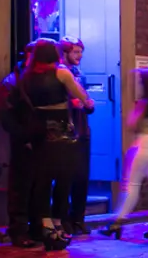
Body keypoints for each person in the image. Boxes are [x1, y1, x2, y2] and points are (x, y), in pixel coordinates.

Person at [15, 38, 93, 251]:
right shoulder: (62, 73)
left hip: (38, 131)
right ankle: (59, 224)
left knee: (42, 181)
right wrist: (87, 103)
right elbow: (81, 97)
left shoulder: (27, 77)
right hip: (60, 132)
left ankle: (47, 226)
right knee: (64, 177)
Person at [101, 68, 148, 241]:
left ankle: (117, 223)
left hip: (145, 144)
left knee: (131, 184)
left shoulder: (144, 103)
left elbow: (131, 124)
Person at [0, 43, 39, 247]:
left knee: (38, 186)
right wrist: (24, 138)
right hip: (24, 142)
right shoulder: (11, 82)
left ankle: (37, 227)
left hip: (40, 141)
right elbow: (6, 115)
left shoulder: (37, 80)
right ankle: (19, 231)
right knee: (20, 187)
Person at [59, 38, 93, 235]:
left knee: (82, 176)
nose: (79, 56)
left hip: (82, 129)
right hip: (67, 130)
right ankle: (63, 220)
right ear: (64, 53)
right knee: (65, 178)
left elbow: (85, 100)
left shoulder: (80, 73)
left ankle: (78, 218)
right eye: (75, 52)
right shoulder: (59, 73)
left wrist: (87, 104)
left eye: (81, 51)